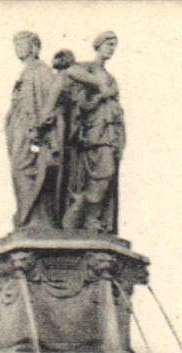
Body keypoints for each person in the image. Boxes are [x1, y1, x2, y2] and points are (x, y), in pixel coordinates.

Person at [60, 31, 124, 233]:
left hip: (110, 131)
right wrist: (98, 89)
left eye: (114, 45)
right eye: (108, 44)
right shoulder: (88, 68)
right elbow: (70, 73)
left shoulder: (111, 78)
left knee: (106, 176)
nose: (111, 49)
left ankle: (91, 217)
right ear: (98, 45)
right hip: (94, 133)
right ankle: (82, 214)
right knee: (102, 174)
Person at [5, 31, 66, 230]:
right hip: (19, 131)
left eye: (22, 44)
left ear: (34, 47)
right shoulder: (25, 72)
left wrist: (41, 126)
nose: (18, 49)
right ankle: (27, 216)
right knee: (19, 171)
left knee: (29, 170)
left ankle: (35, 218)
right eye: (16, 45)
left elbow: (53, 100)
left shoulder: (40, 71)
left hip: (33, 133)